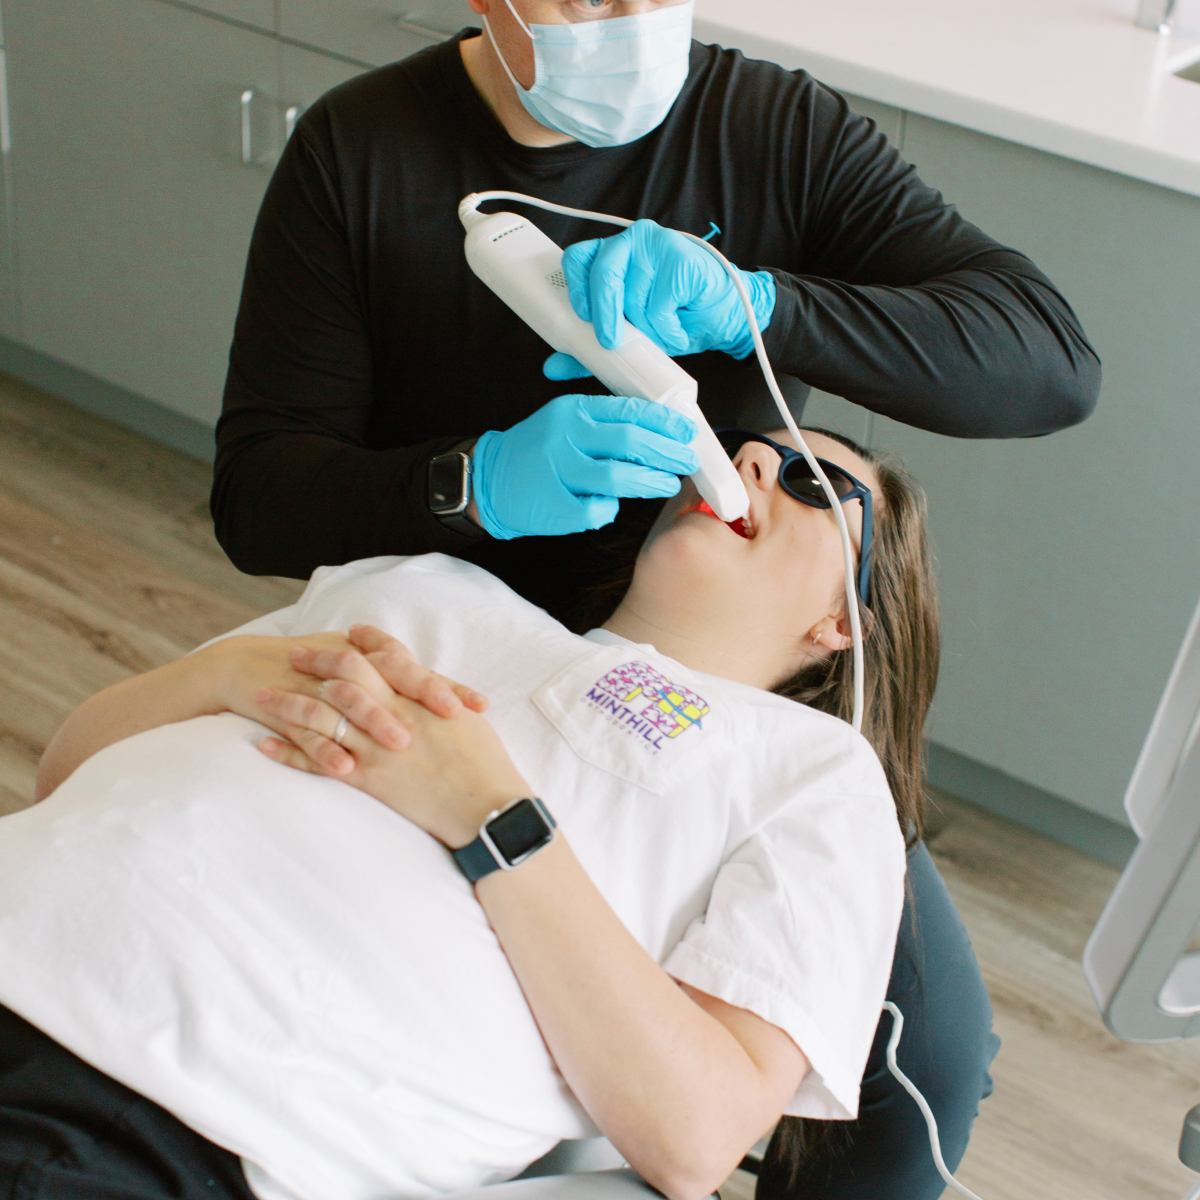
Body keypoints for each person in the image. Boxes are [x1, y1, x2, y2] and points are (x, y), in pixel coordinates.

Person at [208, 2, 1074, 1191]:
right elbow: (258, 500)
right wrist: (474, 484)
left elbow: (1046, 360)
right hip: (467, 663)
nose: (622, 12)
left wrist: (761, 303)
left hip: (715, 702)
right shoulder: (361, 152)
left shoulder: (773, 128)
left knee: (929, 1047)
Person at [8, 429, 931, 1200]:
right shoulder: (426, 586)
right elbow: (68, 771)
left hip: (167, 1109)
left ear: (843, 622)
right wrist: (213, 678)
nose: (750, 464)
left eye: (814, 482)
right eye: (744, 449)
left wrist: (493, 817)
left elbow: (696, 1136)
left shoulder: (823, 780)